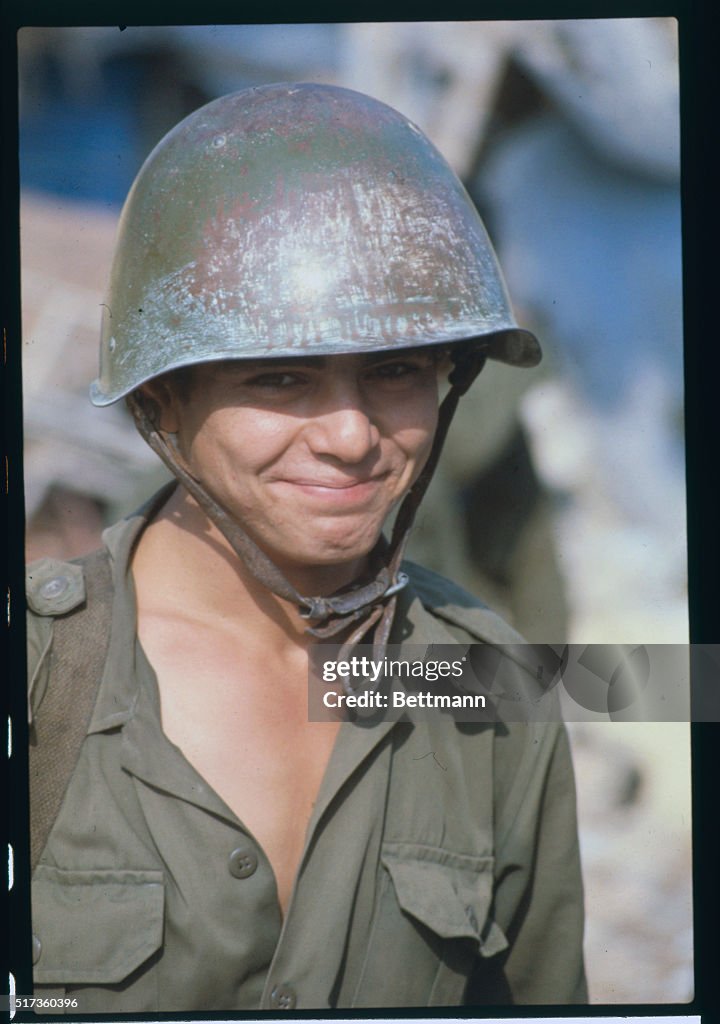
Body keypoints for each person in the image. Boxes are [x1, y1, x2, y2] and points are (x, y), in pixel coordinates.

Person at [26, 83, 586, 1011]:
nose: (352, 436)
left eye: (396, 372)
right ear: (161, 403)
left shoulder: (486, 678)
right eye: (281, 379)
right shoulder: (41, 672)